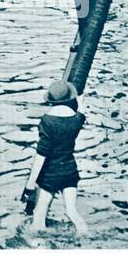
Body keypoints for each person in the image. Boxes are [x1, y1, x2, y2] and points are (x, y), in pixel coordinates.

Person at [23, 80, 88, 237]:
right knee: (72, 212)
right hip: (70, 171)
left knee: (39, 217)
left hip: (50, 175)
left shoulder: (47, 121)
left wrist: (30, 185)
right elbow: (78, 111)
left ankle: (39, 252)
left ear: (51, 99)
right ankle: (86, 237)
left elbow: (41, 155)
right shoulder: (79, 118)